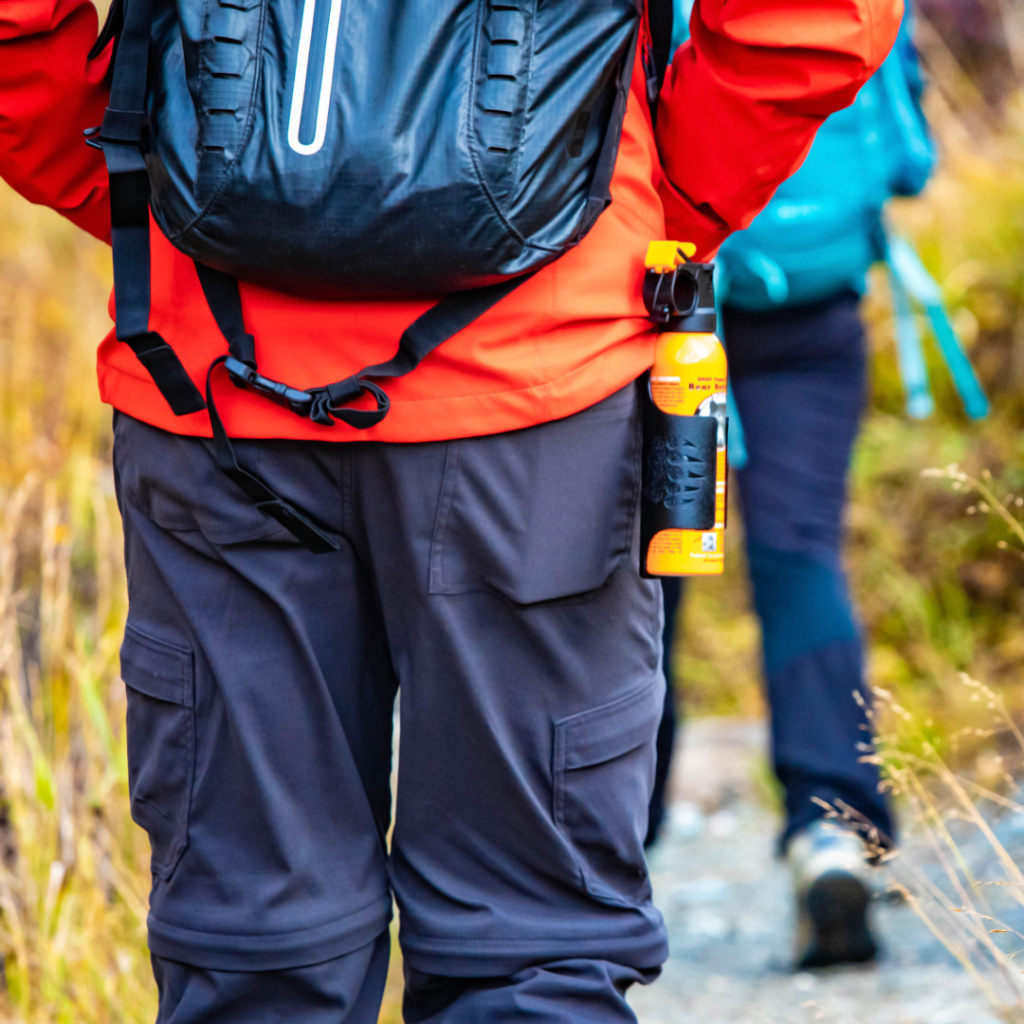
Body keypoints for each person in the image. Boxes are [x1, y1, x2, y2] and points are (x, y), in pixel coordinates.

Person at [0, 0, 902, 1019]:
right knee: (528, 949)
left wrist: (163, 193)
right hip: (537, 403)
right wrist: (645, 202)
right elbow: (812, 19)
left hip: (214, 384)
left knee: (253, 948)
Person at [645, 4, 937, 971]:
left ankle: (601, 852)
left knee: (647, 574)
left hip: (663, 301)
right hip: (814, 306)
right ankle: (832, 830)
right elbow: (908, 158)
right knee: (799, 554)